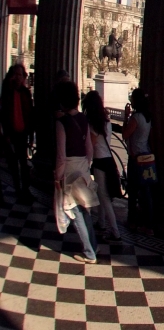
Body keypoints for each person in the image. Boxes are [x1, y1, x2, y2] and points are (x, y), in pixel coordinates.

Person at [53, 81, 100, 264]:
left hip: (70, 168)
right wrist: (86, 166)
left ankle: (89, 253)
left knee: (73, 210)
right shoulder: (83, 119)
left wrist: (58, 176)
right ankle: (93, 245)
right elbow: (89, 148)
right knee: (84, 209)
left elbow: (61, 155)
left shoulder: (61, 123)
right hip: (82, 166)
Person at [82, 91, 121, 243]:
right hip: (109, 161)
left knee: (103, 197)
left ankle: (115, 232)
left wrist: (86, 163)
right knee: (103, 195)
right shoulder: (107, 121)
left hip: (99, 162)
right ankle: (102, 223)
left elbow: (90, 148)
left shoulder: (92, 124)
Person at [123, 88, 154, 236]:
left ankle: (132, 221)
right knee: (146, 192)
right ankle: (148, 225)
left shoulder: (135, 118)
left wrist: (125, 117)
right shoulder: (148, 117)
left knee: (133, 191)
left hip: (136, 158)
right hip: (147, 156)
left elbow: (125, 135)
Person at [0, 63, 33, 202]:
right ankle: (18, 190)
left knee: (24, 165)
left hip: (22, 133)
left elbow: (30, 115)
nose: (19, 78)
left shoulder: (26, 93)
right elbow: (4, 113)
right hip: (10, 134)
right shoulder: (7, 91)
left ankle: (25, 190)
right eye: (16, 75)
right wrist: (6, 134)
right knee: (13, 165)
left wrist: (31, 135)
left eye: (21, 75)